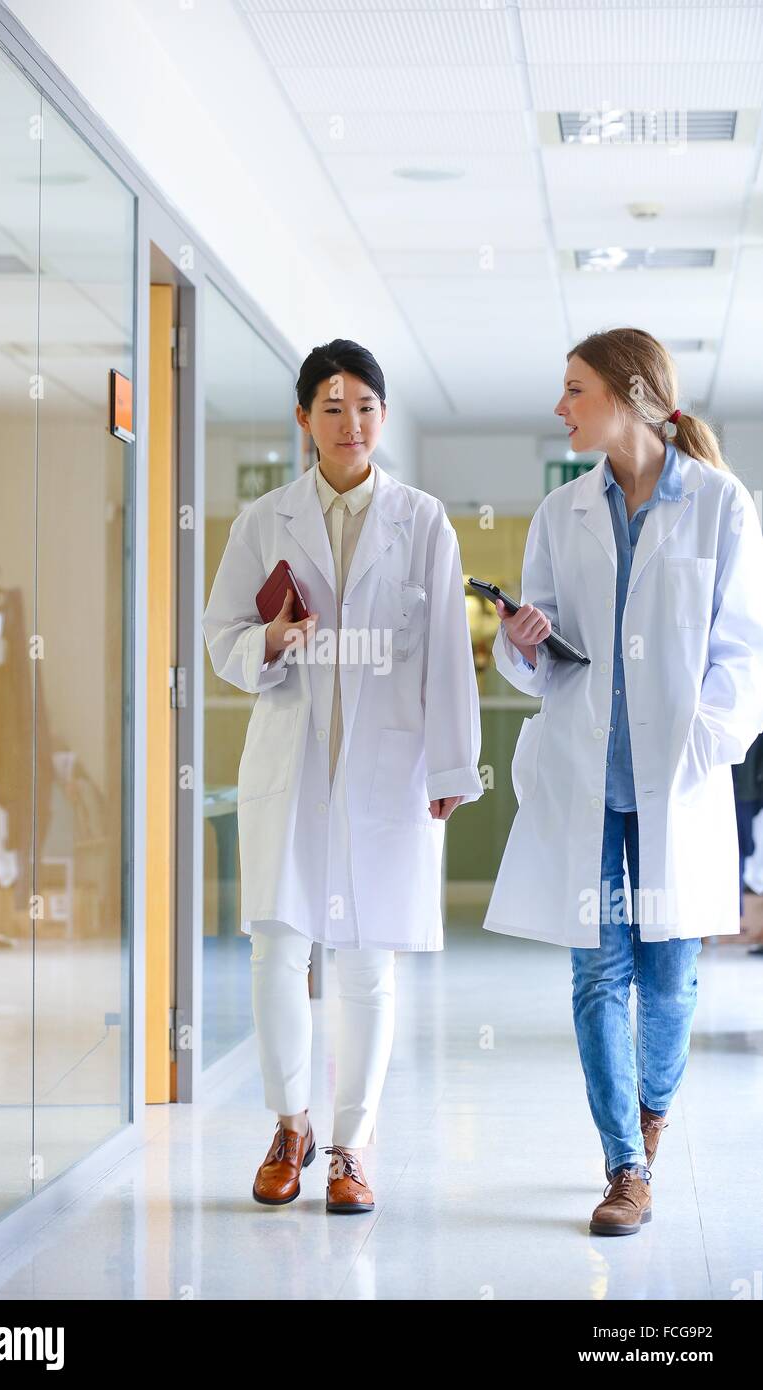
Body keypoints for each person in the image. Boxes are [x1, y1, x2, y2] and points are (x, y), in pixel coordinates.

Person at [485, 327, 763, 1236]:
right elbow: (537, 657)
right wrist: (521, 641)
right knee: (598, 975)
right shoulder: (560, 514)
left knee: (670, 977)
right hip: (589, 784)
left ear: (629, 393)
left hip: (673, 788)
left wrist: (698, 747)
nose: (561, 407)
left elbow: (744, 654)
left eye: (575, 389)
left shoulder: (720, 504)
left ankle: (652, 1114)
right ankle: (625, 1165)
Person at [202, 340, 482, 1213]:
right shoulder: (263, 521)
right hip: (290, 763)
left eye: (364, 405)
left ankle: (353, 1146)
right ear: (302, 420)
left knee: (366, 961)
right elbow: (220, 639)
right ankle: (292, 1125)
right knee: (279, 951)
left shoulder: (423, 519)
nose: (349, 422)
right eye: (330, 405)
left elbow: (445, 655)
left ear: (383, 417)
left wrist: (451, 765)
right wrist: (271, 643)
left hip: (387, 769)